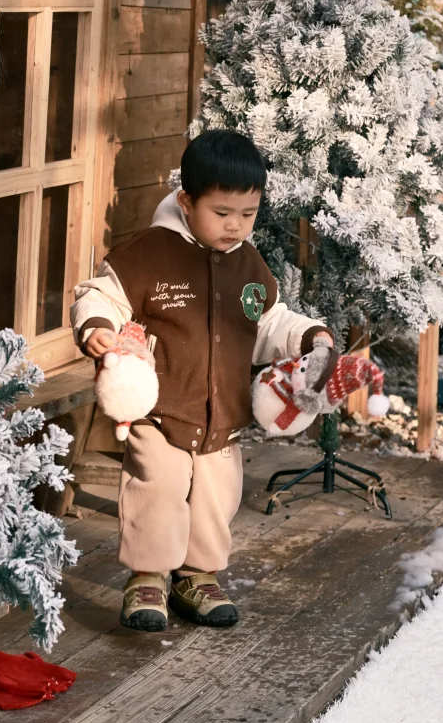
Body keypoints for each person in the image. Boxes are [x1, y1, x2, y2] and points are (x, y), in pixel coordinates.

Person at [70, 130, 334, 632]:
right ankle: (148, 577)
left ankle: (198, 574)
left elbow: (269, 322)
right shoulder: (148, 255)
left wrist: (307, 334)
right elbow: (99, 295)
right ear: (187, 202)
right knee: (158, 490)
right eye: (222, 213)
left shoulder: (249, 265)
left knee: (217, 497)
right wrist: (99, 329)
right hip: (161, 410)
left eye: (248, 214)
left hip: (223, 414)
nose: (236, 226)